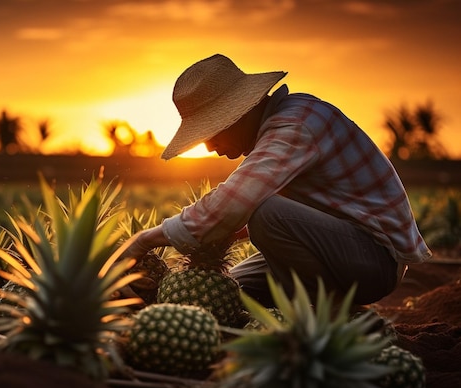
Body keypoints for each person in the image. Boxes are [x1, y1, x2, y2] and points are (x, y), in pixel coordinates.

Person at [124, 53, 431, 307]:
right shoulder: (282, 124)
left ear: (240, 114)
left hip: (374, 261)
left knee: (265, 213)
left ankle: (329, 315)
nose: (208, 146)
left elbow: (232, 203)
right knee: (232, 293)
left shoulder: (294, 125)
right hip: (344, 251)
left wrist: (143, 240)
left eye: (212, 131)